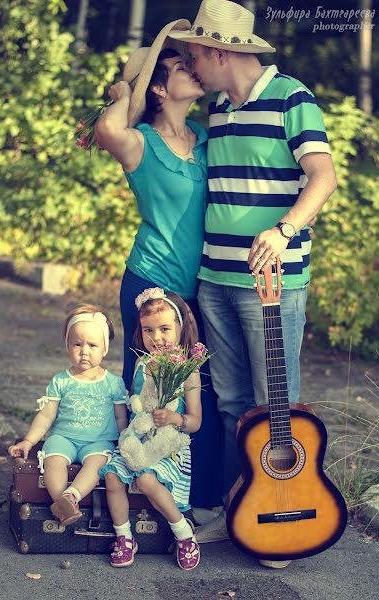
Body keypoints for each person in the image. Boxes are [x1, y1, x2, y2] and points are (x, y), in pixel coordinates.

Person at [169, 0, 338, 566]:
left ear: (220, 52)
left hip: (273, 283)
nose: (191, 64)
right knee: (231, 404)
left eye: (195, 54)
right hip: (214, 278)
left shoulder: (293, 97)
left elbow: (324, 175)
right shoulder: (218, 108)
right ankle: (242, 510)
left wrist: (286, 229)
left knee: (274, 404)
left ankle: (282, 517)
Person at [95, 20, 223, 510]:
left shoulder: (205, 138)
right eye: (178, 67)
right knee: (144, 393)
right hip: (151, 280)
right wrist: (132, 78)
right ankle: (132, 491)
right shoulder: (140, 141)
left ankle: (199, 498)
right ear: (157, 87)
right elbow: (107, 125)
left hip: (200, 286)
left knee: (197, 395)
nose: (191, 70)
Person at [100, 288, 202, 570]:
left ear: (181, 329)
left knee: (145, 480)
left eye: (165, 329)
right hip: (137, 440)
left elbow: (195, 421)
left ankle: (184, 534)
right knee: (111, 477)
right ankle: (124, 537)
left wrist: (172, 418)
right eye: (149, 330)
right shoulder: (141, 363)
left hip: (170, 445)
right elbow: (137, 405)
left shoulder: (188, 370)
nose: (156, 337)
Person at [8, 304, 128, 526]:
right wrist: (28, 441)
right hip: (65, 437)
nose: (84, 351)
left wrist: (125, 442)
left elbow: (121, 417)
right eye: (77, 344)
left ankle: (70, 496)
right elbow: (46, 416)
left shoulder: (113, 383)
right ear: (67, 346)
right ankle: (62, 505)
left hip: (98, 440)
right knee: (53, 460)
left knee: (96, 465)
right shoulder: (61, 380)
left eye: (92, 345)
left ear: (105, 348)